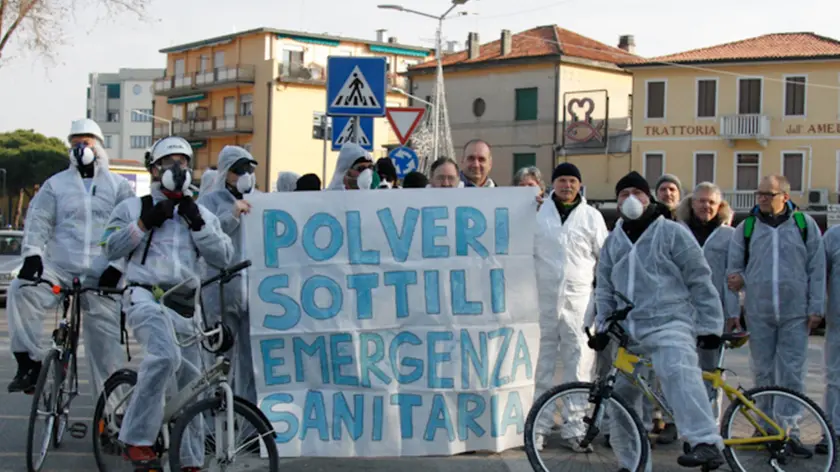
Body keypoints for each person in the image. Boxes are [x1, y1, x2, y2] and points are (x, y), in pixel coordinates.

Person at [101, 136, 233, 470]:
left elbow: (224, 257)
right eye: (169, 161)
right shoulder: (133, 206)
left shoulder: (199, 211)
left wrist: (200, 226)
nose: (177, 167)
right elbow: (110, 247)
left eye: (184, 161)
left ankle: (189, 460)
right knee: (163, 356)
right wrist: (144, 223)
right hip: (144, 296)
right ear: (154, 168)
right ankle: (136, 438)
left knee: (192, 387)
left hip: (186, 304)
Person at [593, 170, 725, 470]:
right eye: (623, 195)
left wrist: (710, 326)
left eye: (636, 194)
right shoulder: (614, 239)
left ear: (648, 197)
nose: (630, 200)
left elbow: (699, 279)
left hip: (670, 321)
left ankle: (705, 441)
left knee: (677, 370)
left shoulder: (672, 232)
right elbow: (604, 286)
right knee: (622, 400)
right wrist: (602, 325)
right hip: (629, 331)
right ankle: (634, 462)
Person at [6, 118, 134, 397]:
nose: (81, 148)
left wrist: (117, 266)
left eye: (86, 142)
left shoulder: (119, 187)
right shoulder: (56, 185)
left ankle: (112, 417)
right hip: (59, 270)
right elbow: (38, 222)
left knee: (106, 350)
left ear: (99, 146)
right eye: (75, 143)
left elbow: (129, 230)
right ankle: (29, 362)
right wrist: (33, 256)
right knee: (21, 290)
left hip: (101, 274)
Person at [727, 174, 824, 456]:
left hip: (795, 313)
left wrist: (816, 307)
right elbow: (733, 271)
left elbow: (816, 269)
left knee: (793, 374)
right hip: (759, 313)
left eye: (768, 194)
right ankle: (765, 427)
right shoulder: (746, 228)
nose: (762, 198)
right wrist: (734, 309)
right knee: (763, 372)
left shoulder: (805, 227)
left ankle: (788, 430)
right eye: (760, 193)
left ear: (785, 196)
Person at [532, 163, 607, 452]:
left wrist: (603, 300)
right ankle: (538, 426)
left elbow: (606, 259)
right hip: (543, 303)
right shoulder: (537, 213)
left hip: (579, 305)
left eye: (572, 180)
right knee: (543, 366)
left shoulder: (591, 217)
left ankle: (574, 427)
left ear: (579, 185)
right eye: (562, 180)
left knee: (578, 366)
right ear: (553, 184)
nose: (567, 185)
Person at [198, 146, 258, 407]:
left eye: (249, 169)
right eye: (239, 169)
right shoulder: (208, 203)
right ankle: (212, 426)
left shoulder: (261, 201)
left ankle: (249, 426)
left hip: (254, 293)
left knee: (253, 363)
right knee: (220, 361)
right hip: (220, 293)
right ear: (225, 172)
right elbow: (205, 238)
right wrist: (233, 214)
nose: (245, 175)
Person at [675, 182, 740, 424]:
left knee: (712, 372)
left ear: (720, 206)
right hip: (680, 313)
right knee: (680, 370)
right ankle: (681, 423)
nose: (706, 206)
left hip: (715, 314)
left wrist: (733, 313)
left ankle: (710, 425)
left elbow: (732, 277)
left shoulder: (729, 236)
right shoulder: (676, 232)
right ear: (692, 203)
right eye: (701, 201)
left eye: (712, 202)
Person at [821, 225, 840, 454]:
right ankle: (832, 431)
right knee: (835, 378)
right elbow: (820, 274)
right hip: (837, 320)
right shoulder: (833, 236)